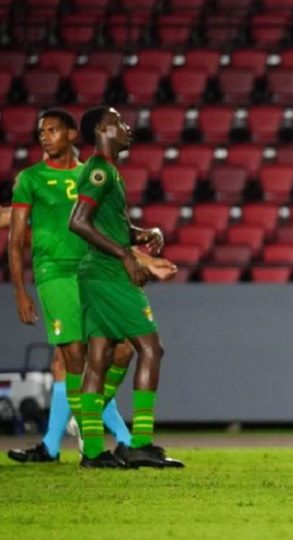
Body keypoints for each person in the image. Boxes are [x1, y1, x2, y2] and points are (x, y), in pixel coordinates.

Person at [6, 109, 138, 463]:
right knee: (73, 360)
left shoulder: (91, 174)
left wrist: (142, 259)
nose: (44, 137)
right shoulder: (31, 179)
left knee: (120, 349)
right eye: (41, 132)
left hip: (93, 272)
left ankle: (74, 429)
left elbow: (113, 226)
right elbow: (15, 234)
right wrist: (20, 290)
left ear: (71, 134)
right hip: (55, 273)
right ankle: (109, 439)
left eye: (52, 130)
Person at [69, 105, 182, 469]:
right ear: (102, 129)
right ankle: (140, 443)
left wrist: (142, 234)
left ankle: (92, 451)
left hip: (96, 273)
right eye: (118, 122)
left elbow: (107, 225)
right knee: (151, 348)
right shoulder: (100, 171)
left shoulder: (108, 172)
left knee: (99, 358)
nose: (126, 127)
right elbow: (79, 222)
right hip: (107, 273)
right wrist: (126, 256)